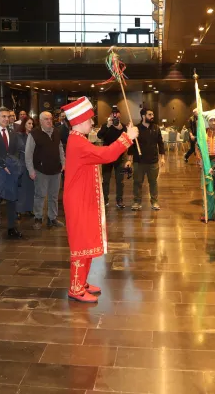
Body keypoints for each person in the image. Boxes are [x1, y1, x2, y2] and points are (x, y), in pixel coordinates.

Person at [61, 97, 138, 303]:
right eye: (89, 120)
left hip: (81, 198)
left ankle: (82, 282)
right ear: (78, 121)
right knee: (80, 245)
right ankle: (76, 288)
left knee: (84, 240)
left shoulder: (78, 138)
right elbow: (106, 155)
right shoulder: (77, 142)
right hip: (78, 201)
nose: (92, 123)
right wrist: (126, 137)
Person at [0, 106, 24, 241]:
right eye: (3, 116)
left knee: (11, 200)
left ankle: (12, 228)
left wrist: (12, 165)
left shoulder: (13, 133)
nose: (6, 119)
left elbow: (17, 151)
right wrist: (3, 164)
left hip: (10, 172)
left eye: (8, 117)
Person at [26, 111, 65, 228]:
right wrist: (31, 170)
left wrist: (64, 162)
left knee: (54, 196)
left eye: (50, 119)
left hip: (56, 170)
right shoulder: (34, 134)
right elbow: (28, 154)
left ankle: (52, 218)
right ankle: (38, 218)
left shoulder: (56, 132)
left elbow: (60, 148)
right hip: (40, 170)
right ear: (41, 121)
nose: (49, 121)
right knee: (40, 195)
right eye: (46, 119)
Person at [127, 108, 165, 211]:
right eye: (150, 114)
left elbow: (160, 143)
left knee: (153, 182)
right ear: (143, 116)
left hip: (153, 161)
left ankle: (154, 202)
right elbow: (131, 146)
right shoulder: (136, 129)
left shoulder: (156, 128)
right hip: (139, 162)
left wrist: (162, 158)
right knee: (137, 182)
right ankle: (136, 202)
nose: (152, 116)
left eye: (152, 114)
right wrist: (129, 160)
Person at [97, 105, 126, 209]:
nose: (116, 120)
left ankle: (119, 200)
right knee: (106, 179)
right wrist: (108, 126)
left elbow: (127, 138)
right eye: (114, 118)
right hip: (106, 157)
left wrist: (121, 128)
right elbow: (99, 136)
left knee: (120, 180)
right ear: (110, 117)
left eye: (118, 118)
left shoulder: (122, 126)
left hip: (119, 157)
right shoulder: (106, 125)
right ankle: (104, 199)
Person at [16, 116, 36, 218]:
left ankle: (29, 208)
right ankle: (19, 210)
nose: (31, 125)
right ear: (24, 124)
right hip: (22, 164)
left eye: (32, 124)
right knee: (22, 188)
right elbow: (22, 147)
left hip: (32, 164)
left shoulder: (33, 135)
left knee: (31, 188)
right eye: (29, 123)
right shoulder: (19, 135)